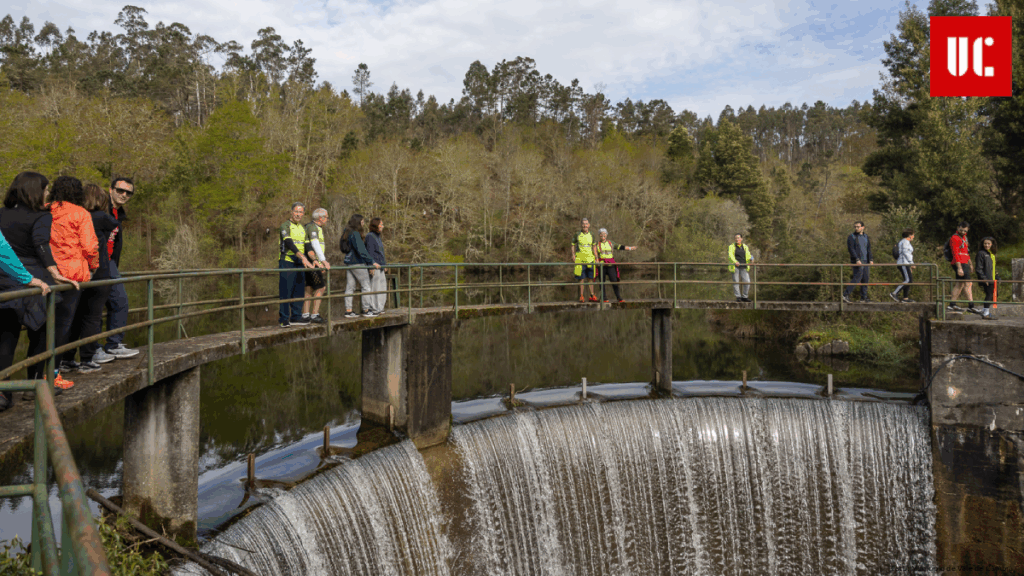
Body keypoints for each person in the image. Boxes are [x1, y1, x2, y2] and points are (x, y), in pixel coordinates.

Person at [0, 171, 78, 402]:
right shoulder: (42, 216)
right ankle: (34, 385)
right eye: (45, 189)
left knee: (6, 337)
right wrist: (55, 273)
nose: (47, 193)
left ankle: (3, 392)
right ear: (36, 191)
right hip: (33, 278)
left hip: (4, 277)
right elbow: (41, 244)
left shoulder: (1, 213)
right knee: (42, 333)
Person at [67, 184, 120, 371]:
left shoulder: (74, 216)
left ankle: (66, 358)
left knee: (74, 317)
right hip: (99, 272)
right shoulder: (102, 217)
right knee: (92, 317)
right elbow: (115, 225)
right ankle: (87, 359)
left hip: (77, 272)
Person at [48, 176, 98, 374]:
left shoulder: (44, 209)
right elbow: (90, 247)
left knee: (42, 326)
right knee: (63, 324)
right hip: (72, 275)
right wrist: (93, 266)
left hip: (45, 272)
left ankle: (38, 372)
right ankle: (53, 372)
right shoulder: (81, 213)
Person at [0, 227, 51, 411]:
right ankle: (5, 391)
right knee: (7, 337)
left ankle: (5, 391)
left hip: (8, 288)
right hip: (11, 288)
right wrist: (28, 279)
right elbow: (2, 249)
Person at [101, 176, 140, 358]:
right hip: (95, 263)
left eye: (128, 193)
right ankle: (92, 350)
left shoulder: (118, 214)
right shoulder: (101, 209)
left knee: (120, 302)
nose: (124, 195)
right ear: (111, 190)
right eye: (120, 190)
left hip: (110, 264)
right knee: (93, 308)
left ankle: (113, 344)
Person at [278, 202, 314, 327]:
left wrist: (315, 259)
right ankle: (284, 319)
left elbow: (308, 246)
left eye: (301, 212)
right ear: (291, 212)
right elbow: (289, 243)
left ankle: (296, 317)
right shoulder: (285, 226)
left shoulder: (303, 228)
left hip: (300, 262)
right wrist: (303, 257)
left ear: (303, 214)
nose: (298, 214)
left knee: (299, 291)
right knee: (286, 290)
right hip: (287, 261)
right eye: (296, 212)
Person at [341, 214, 379, 318]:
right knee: (366, 286)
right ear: (358, 222)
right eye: (362, 221)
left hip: (349, 262)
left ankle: (348, 311)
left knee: (350, 287)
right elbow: (361, 250)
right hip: (357, 262)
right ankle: (366, 310)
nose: (363, 223)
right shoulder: (355, 233)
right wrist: (371, 262)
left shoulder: (347, 232)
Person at [301, 208, 330, 324]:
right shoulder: (312, 227)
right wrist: (323, 261)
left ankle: (305, 314)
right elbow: (315, 244)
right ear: (320, 218)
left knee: (309, 287)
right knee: (321, 287)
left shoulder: (316, 227)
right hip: (312, 261)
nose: (327, 219)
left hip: (313, 261)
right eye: (326, 217)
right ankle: (314, 314)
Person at [595, 228, 636, 302]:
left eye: (604, 233)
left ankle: (618, 297)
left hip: (611, 264)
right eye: (601, 234)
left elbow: (620, 247)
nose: (603, 235)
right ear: (599, 235)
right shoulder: (596, 244)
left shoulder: (611, 242)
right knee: (602, 282)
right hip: (601, 265)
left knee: (614, 280)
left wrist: (630, 248)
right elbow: (593, 253)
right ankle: (604, 297)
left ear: (606, 235)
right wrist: (596, 260)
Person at [841, 221, 873, 303]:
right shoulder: (852, 237)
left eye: (858, 227)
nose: (856, 228)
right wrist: (857, 259)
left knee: (865, 278)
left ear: (863, 227)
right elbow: (851, 249)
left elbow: (868, 248)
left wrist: (871, 259)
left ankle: (863, 297)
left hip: (865, 261)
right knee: (857, 277)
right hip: (857, 261)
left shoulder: (866, 236)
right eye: (855, 227)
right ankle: (845, 295)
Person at [948, 221, 977, 313]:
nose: (963, 232)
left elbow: (966, 252)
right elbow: (955, 253)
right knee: (968, 283)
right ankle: (971, 306)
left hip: (965, 262)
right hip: (959, 263)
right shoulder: (954, 238)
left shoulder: (964, 238)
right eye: (961, 230)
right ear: (958, 228)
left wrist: (970, 263)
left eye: (965, 231)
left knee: (960, 284)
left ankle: (952, 304)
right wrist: (959, 267)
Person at [572, 218, 598, 302]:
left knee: (590, 278)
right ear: (581, 225)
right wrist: (573, 255)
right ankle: (581, 296)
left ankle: (592, 295)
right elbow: (572, 244)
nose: (585, 225)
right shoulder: (577, 234)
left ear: (589, 225)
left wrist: (596, 258)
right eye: (583, 224)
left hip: (590, 259)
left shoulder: (592, 234)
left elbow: (594, 246)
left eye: (586, 224)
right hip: (580, 259)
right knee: (581, 278)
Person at [365, 217, 388, 314]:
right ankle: (374, 308)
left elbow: (380, 252)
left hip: (381, 266)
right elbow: (370, 252)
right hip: (375, 266)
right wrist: (371, 265)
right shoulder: (370, 236)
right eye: (381, 224)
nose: (382, 226)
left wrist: (384, 264)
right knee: (375, 287)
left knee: (382, 287)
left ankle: (380, 307)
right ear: (376, 225)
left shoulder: (378, 237)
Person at [890, 229, 916, 303]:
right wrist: (911, 263)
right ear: (910, 235)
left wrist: (909, 265)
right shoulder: (905, 242)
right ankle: (894, 293)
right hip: (903, 263)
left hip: (905, 263)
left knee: (909, 280)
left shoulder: (906, 242)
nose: (914, 237)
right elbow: (906, 253)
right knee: (908, 280)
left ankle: (905, 298)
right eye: (913, 235)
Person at [975, 237, 997, 320]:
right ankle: (986, 313)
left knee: (993, 295)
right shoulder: (981, 253)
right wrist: (984, 278)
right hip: (986, 278)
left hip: (992, 278)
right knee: (989, 294)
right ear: (982, 244)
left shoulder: (991, 254)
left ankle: (984, 311)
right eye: (985, 243)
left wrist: (997, 276)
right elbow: (978, 268)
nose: (987, 245)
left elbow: (992, 267)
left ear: (992, 244)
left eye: (988, 243)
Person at [728, 234, 753, 303]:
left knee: (747, 282)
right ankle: (738, 297)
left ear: (741, 239)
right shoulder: (731, 246)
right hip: (735, 266)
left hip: (744, 266)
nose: (737, 239)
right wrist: (735, 261)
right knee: (736, 282)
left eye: (738, 238)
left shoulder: (745, 246)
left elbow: (748, 254)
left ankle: (745, 297)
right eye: (736, 238)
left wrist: (751, 258)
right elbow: (730, 255)